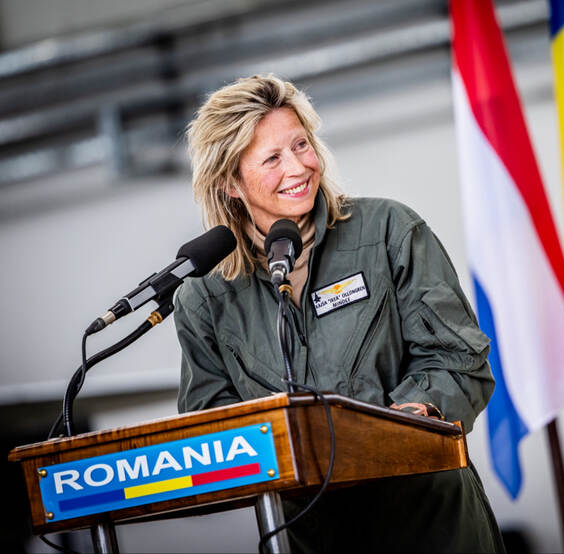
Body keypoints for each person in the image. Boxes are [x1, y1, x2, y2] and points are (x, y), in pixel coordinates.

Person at [175, 74, 505, 553]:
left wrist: (398, 425)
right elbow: (208, 429)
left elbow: (460, 361)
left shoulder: (390, 229)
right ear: (230, 183)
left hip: (430, 527)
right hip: (309, 539)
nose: (299, 166)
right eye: (272, 158)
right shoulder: (203, 297)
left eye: (301, 145)